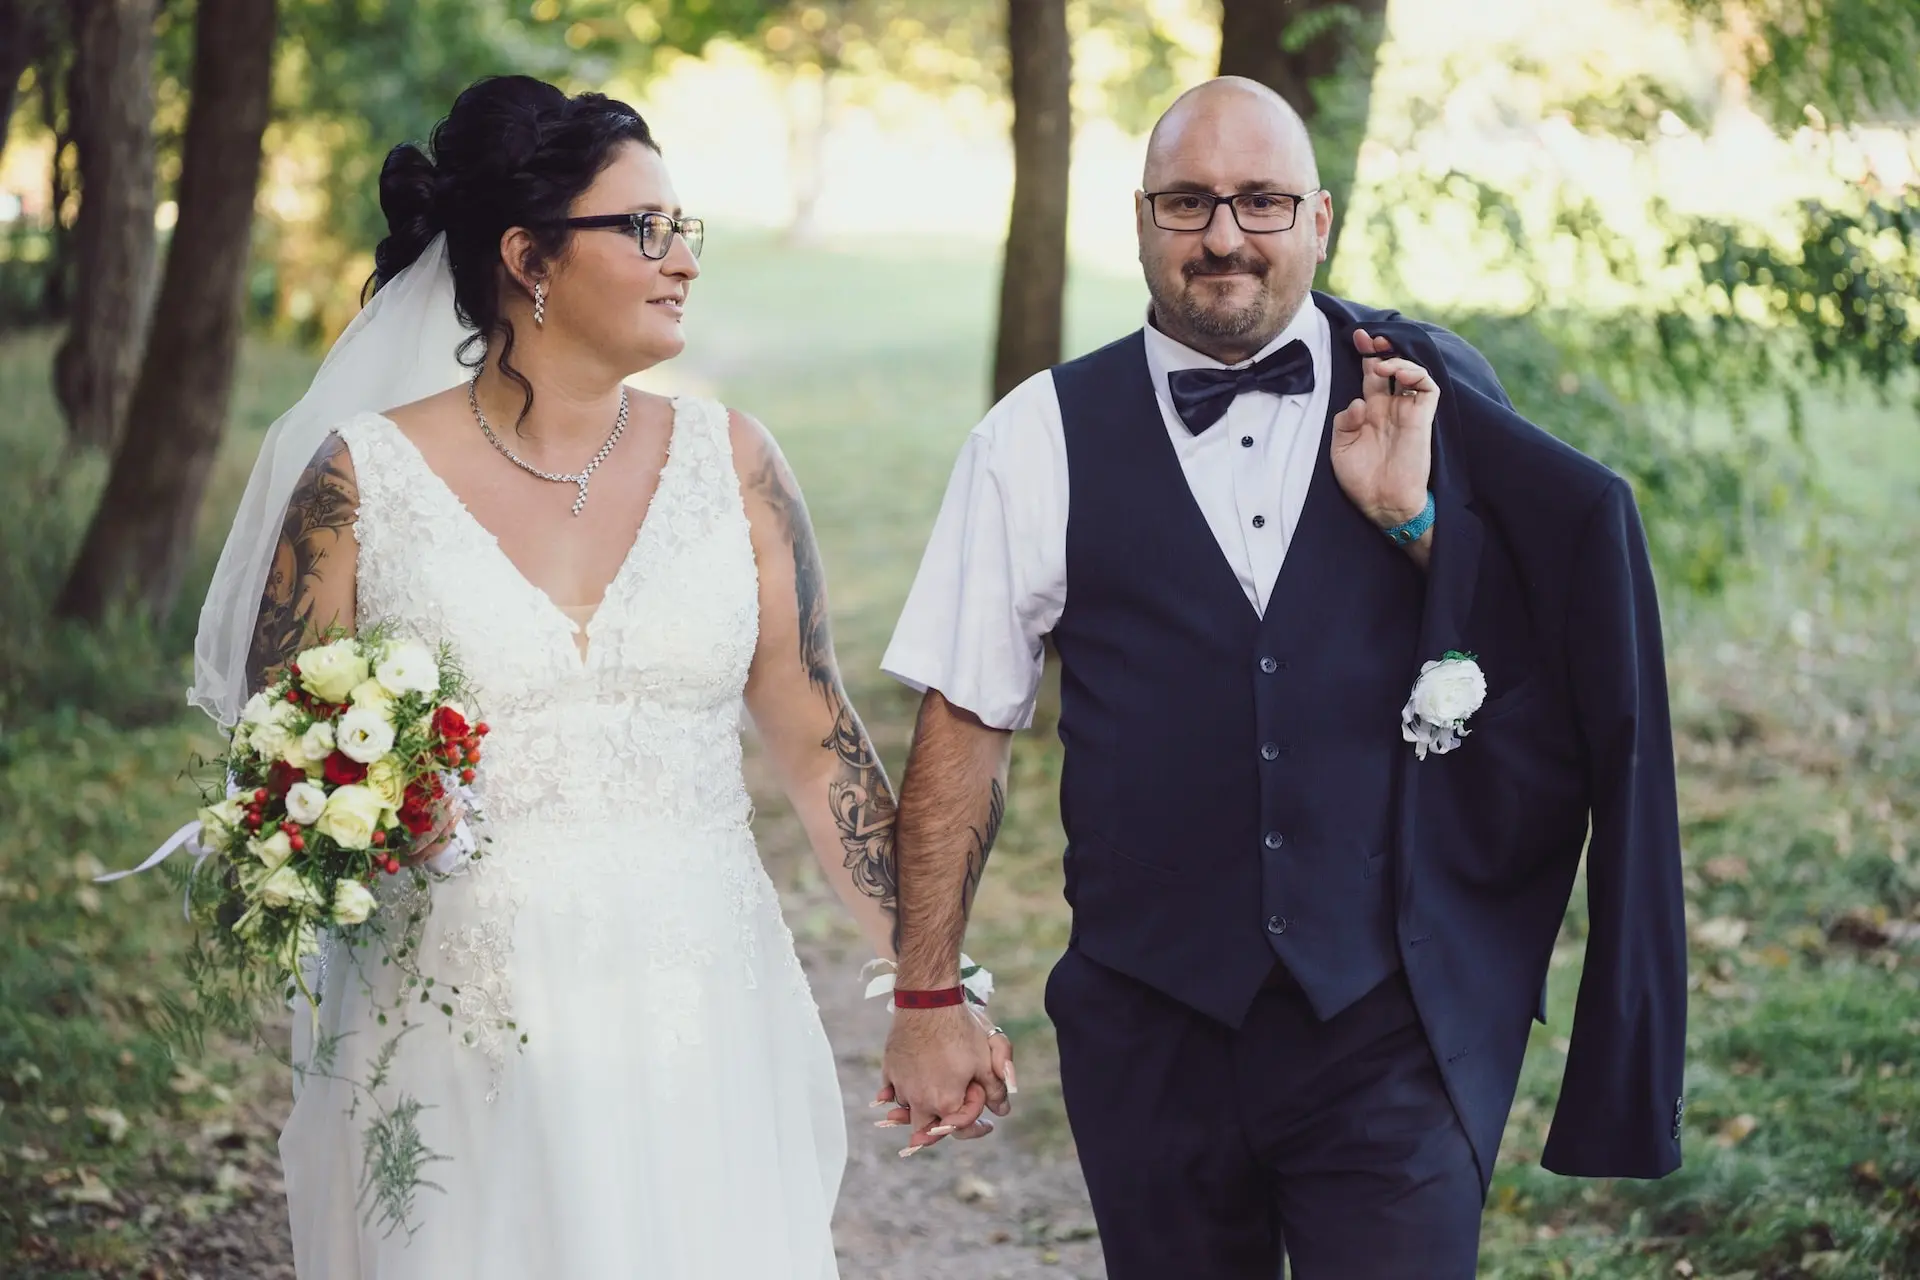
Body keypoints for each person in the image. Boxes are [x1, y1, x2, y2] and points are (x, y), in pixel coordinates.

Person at [189, 74, 1008, 1278]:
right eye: (644, 227)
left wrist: (934, 990)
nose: (681, 258)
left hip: (702, 1014)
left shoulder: (733, 463)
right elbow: (278, 770)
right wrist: (382, 827)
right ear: (529, 256)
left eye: (685, 229)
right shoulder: (360, 481)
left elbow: (818, 737)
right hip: (454, 1030)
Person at [877, 76, 1687, 1279]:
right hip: (1149, 1019)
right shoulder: (1034, 436)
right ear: (1143, 219)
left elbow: (1560, 653)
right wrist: (928, 994)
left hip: (1389, 1019)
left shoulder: (1427, 396)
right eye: (1189, 202)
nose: (1223, 236)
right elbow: (966, 716)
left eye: (1260, 201)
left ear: (1319, 220)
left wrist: (1417, 527)